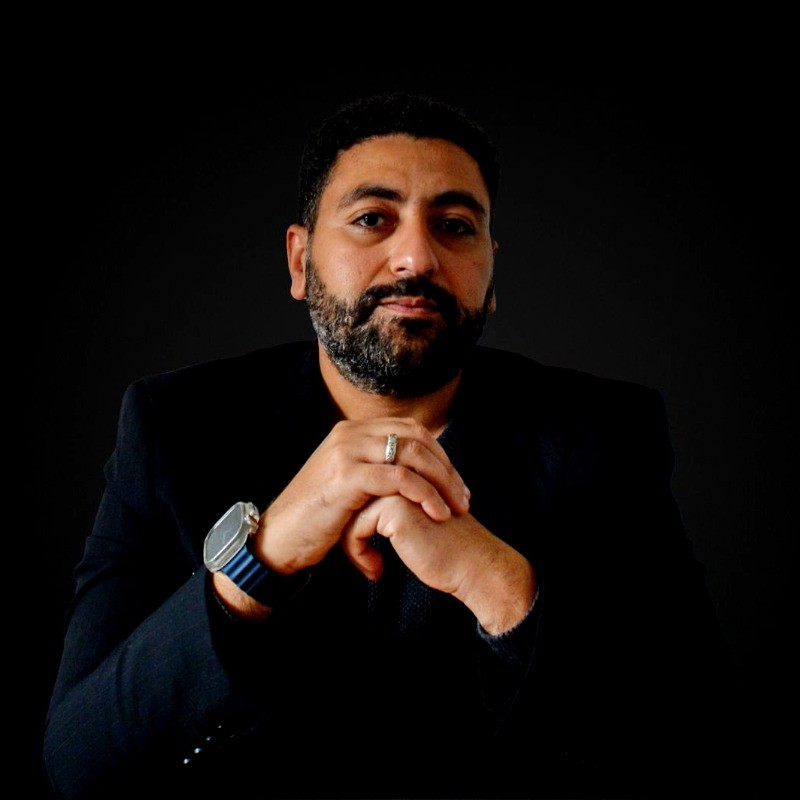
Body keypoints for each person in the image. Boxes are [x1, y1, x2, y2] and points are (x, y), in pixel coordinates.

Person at [43, 92, 748, 799]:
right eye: (372, 219)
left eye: (455, 226)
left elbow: (703, 751)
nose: (415, 258)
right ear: (300, 260)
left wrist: (502, 587)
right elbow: (78, 761)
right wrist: (260, 561)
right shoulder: (172, 426)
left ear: (491, 275)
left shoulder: (607, 435)